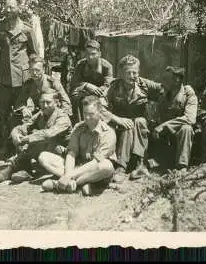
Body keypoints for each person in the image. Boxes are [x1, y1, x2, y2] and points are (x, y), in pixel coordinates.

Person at [0, 0, 38, 158]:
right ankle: (5, 145)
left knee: (19, 113)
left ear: (19, 7)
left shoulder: (27, 30)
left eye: (11, 6)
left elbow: (34, 55)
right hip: (3, 78)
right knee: (3, 113)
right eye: (6, 6)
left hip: (22, 79)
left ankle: (18, 145)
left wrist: (32, 77)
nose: (8, 9)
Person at [39, 96, 117, 196]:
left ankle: (63, 184)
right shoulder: (78, 128)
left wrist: (69, 175)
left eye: (91, 114)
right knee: (43, 157)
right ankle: (77, 183)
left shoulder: (108, 133)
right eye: (85, 113)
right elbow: (71, 153)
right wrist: (68, 174)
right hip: (77, 167)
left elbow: (95, 162)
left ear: (100, 113)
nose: (87, 118)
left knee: (107, 166)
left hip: (95, 171)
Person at [102, 55, 162, 183]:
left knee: (139, 121)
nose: (132, 75)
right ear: (121, 73)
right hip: (121, 125)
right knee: (127, 126)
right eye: (128, 72)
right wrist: (117, 119)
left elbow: (165, 88)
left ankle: (140, 164)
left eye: (135, 72)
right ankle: (121, 167)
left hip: (142, 127)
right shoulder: (113, 87)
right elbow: (100, 107)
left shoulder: (145, 84)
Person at [0, 89, 72, 183]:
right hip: (46, 151)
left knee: (39, 139)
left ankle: (14, 166)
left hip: (63, 156)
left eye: (48, 102)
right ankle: (26, 170)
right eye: (42, 102)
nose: (44, 105)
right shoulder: (41, 114)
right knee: (26, 137)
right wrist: (15, 133)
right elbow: (25, 125)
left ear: (57, 103)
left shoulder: (62, 117)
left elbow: (48, 134)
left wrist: (26, 139)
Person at [151, 66, 198, 170]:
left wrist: (164, 126)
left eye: (167, 79)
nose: (163, 82)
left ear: (177, 80)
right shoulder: (164, 93)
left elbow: (190, 119)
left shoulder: (189, 95)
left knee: (187, 128)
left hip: (180, 136)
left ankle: (182, 167)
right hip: (165, 137)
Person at [14, 54, 73, 120]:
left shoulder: (52, 82)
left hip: (55, 113)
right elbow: (19, 102)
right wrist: (24, 109)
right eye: (31, 70)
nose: (34, 73)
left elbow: (66, 102)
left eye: (37, 70)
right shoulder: (29, 84)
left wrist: (62, 116)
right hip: (40, 114)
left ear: (43, 69)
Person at [69, 39, 114, 122]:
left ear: (99, 54)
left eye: (93, 54)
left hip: (100, 92)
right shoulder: (81, 64)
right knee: (75, 95)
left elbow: (108, 84)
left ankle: (102, 124)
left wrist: (96, 90)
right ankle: (80, 123)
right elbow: (74, 82)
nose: (90, 57)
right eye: (87, 54)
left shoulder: (107, 66)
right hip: (85, 91)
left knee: (102, 101)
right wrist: (87, 85)